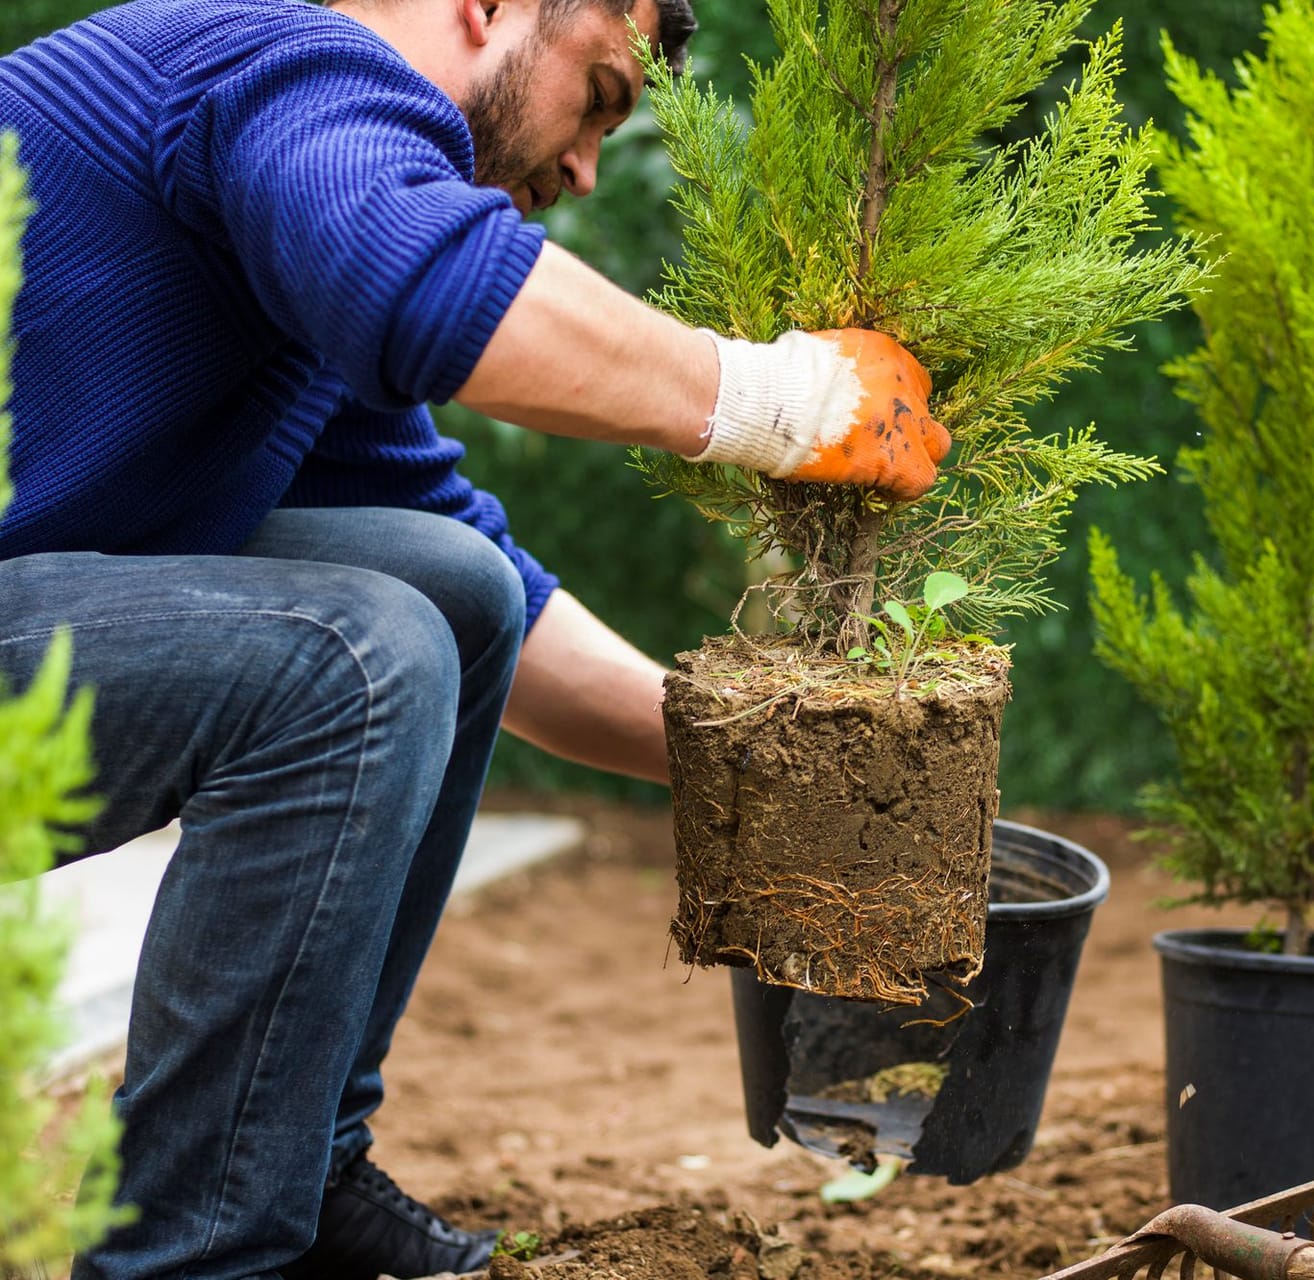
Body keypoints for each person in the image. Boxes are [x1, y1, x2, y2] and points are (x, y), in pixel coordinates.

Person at [0, 0, 951, 1275]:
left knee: (443, 584)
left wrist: (757, 766)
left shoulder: (292, 239)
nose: (584, 167)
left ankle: (300, 1173)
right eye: (600, 97)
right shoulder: (288, 62)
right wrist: (786, 400)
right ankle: (194, 1257)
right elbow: (434, 290)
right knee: (349, 653)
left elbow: (480, 574)